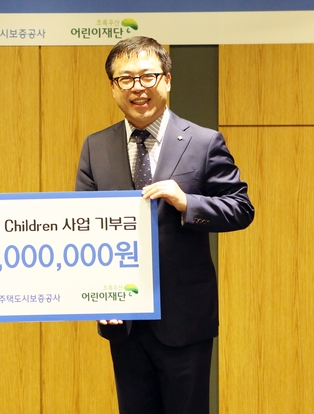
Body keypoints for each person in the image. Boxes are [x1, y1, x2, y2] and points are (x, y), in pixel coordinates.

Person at [75, 36, 254, 414]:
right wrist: (97, 294)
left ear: (167, 80)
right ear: (113, 88)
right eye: (125, 79)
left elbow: (241, 208)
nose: (137, 88)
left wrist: (187, 202)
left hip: (185, 318)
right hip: (124, 318)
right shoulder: (96, 146)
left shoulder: (203, 142)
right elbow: (84, 226)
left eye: (148, 76)